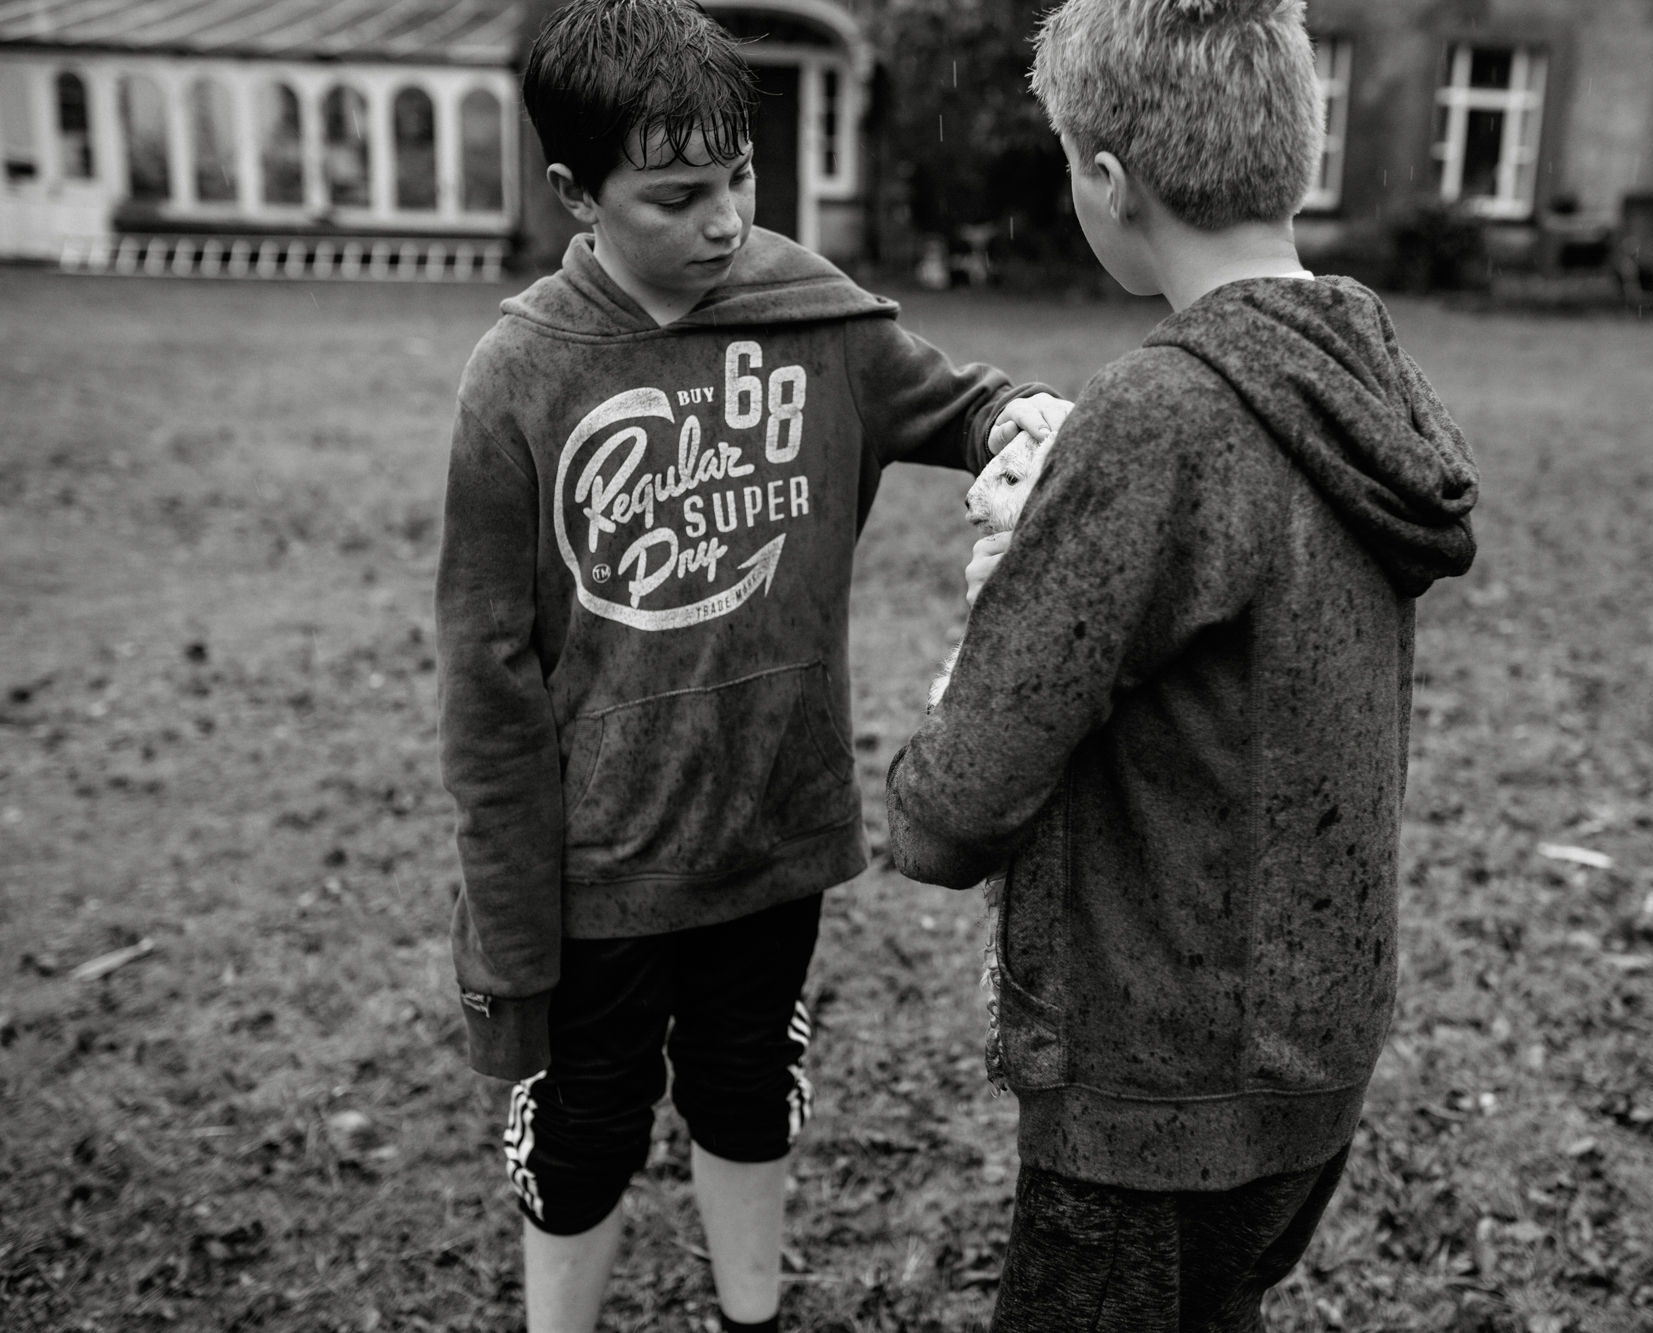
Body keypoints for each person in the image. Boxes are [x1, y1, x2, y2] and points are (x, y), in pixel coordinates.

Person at [434, 4, 1057, 1329]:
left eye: (740, 178)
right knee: (585, 1124)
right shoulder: (518, 379)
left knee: (747, 1088)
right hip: (596, 872)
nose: (725, 220)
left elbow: (960, 400)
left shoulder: (818, 323)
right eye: (677, 195)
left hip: (771, 838)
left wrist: (1022, 421)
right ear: (574, 194)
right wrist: (504, 935)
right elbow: (484, 689)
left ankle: (752, 1316)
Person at [886, 0, 1481, 1328]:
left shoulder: (1160, 416)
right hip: (1317, 1058)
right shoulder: (1363, 376)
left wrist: (966, 668)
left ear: (1107, 178)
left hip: (1154, 1083)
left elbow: (956, 804)